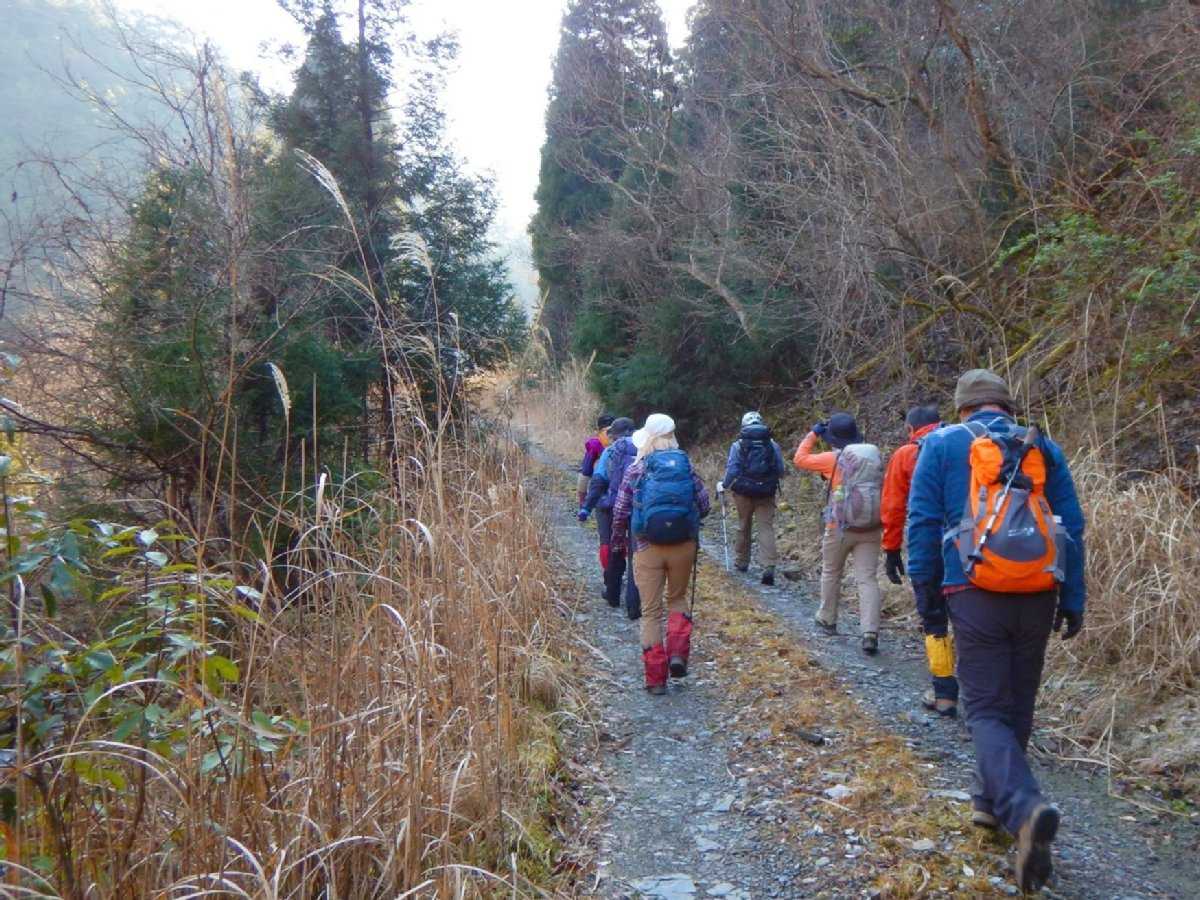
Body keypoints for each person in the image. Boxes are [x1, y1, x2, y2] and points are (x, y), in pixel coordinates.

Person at [906, 369, 1085, 894]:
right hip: (1038, 588)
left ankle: (1024, 809)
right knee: (1017, 703)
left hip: (972, 587)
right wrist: (1073, 596)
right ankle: (989, 803)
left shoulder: (941, 445)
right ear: (1007, 405)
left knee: (983, 709)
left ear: (962, 407)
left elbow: (923, 523)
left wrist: (927, 597)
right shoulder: (1041, 445)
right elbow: (1071, 527)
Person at [611, 414, 711, 695]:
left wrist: (618, 542)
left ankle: (656, 679)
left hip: (646, 547)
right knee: (677, 598)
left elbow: (620, 511)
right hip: (683, 546)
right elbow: (704, 505)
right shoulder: (686, 466)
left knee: (651, 612)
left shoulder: (637, 469)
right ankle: (677, 654)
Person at [880, 405, 958, 717]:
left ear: (911, 429)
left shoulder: (906, 454)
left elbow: (894, 506)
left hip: (928, 545)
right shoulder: (968, 443)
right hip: (970, 543)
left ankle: (944, 692)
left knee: (934, 617)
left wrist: (891, 549)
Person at [793, 412, 884, 654]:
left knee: (831, 571)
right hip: (871, 526)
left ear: (832, 437)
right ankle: (870, 632)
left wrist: (813, 433)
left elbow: (799, 459)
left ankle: (827, 618)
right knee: (867, 578)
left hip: (839, 527)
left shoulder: (832, 458)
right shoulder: (872, 456)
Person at [578, 417, 641, 613]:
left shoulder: (611, 451)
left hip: (611, 506)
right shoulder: (645, 449)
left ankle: (613, 594)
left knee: (613, 546)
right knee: (636, 553)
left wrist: (586, 507)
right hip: (638, 507)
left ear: (614, 435)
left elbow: (598, 481)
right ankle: (634, 603)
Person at [719, 411, 786, 586]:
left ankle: (742, 561)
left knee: (743, 524)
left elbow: (733, 469)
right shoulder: (772, 444)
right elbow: (780, 470)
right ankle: (769, 565)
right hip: (766, 492)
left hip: (743, 492)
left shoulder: (738, 445)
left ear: (743, 426)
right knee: (766, 527)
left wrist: (724, 485)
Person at [578, 414, 614, 510]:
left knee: (584, 475)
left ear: (598, 427)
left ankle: (583, 506)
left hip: (601, 478)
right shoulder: (623, 438)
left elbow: (586, 469)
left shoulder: (595, 442)